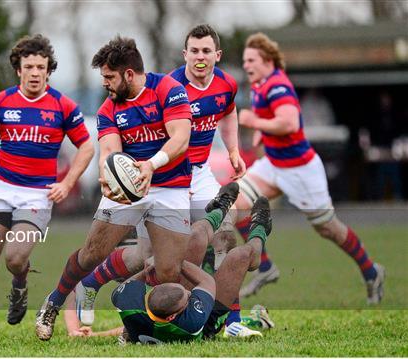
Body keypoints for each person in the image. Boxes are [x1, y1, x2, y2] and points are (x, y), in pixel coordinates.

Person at [75, 24, 248, 331]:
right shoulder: (170, 86)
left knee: (224, 235)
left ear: (217, 55)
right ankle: (91, 281)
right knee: (147, 256)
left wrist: (233, 150)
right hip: (163, 177)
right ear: (185, 54)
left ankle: (230, 320)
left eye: (206, 51)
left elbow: (229, 111)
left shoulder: (226, 84)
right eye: (194, 50)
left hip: (199, 173)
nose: (200, 56)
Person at [35, 35, 194, 341]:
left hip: (170, 187)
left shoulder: (168, 90)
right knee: (92, 253)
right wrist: (107, 175)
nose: (105, 83)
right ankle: (52, 304)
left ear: (129, 74)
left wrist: (151, 164)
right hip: (130, 186)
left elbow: (181, 139)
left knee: (168, 273)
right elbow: (109, 149)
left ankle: (135, 328)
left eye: (109, 76)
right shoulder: (109, 108)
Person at [0, 34, 94, 336]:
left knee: (15, 258)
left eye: (41, 67)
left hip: (37, 194)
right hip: (0, 188)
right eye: (29, 66)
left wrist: (67, 183)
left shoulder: (63, 106)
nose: (35, 73)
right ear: (19, 69)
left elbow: (87, 147)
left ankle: (20, 283)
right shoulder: (1, 101)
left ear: (48, 70)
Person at [235, 33, 385, 304]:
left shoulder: (278, 86)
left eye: (251, 60)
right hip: (274, 163)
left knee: (328, 228)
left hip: (300, 170)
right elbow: (273, 123)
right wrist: (261, 133)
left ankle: (371, 270)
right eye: (245, 60)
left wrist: (254, 122)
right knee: (237, 204)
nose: (246, 65)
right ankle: (266, 268)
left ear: (267, 60)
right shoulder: (259, 84)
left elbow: (289, 123)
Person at [112, 193, 274, 343]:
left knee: (196, 236)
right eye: (188, 297)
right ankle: (260, 231)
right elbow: (207, 282)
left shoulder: (128, 303)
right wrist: (173, 260)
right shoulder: (191, 322)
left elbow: (127, 287)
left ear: (151, 292)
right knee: (241, 256)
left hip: (161, 312)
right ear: (172, 317)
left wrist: (149, 270)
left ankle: (220, 209)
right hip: (208, 321)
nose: (189, 292)